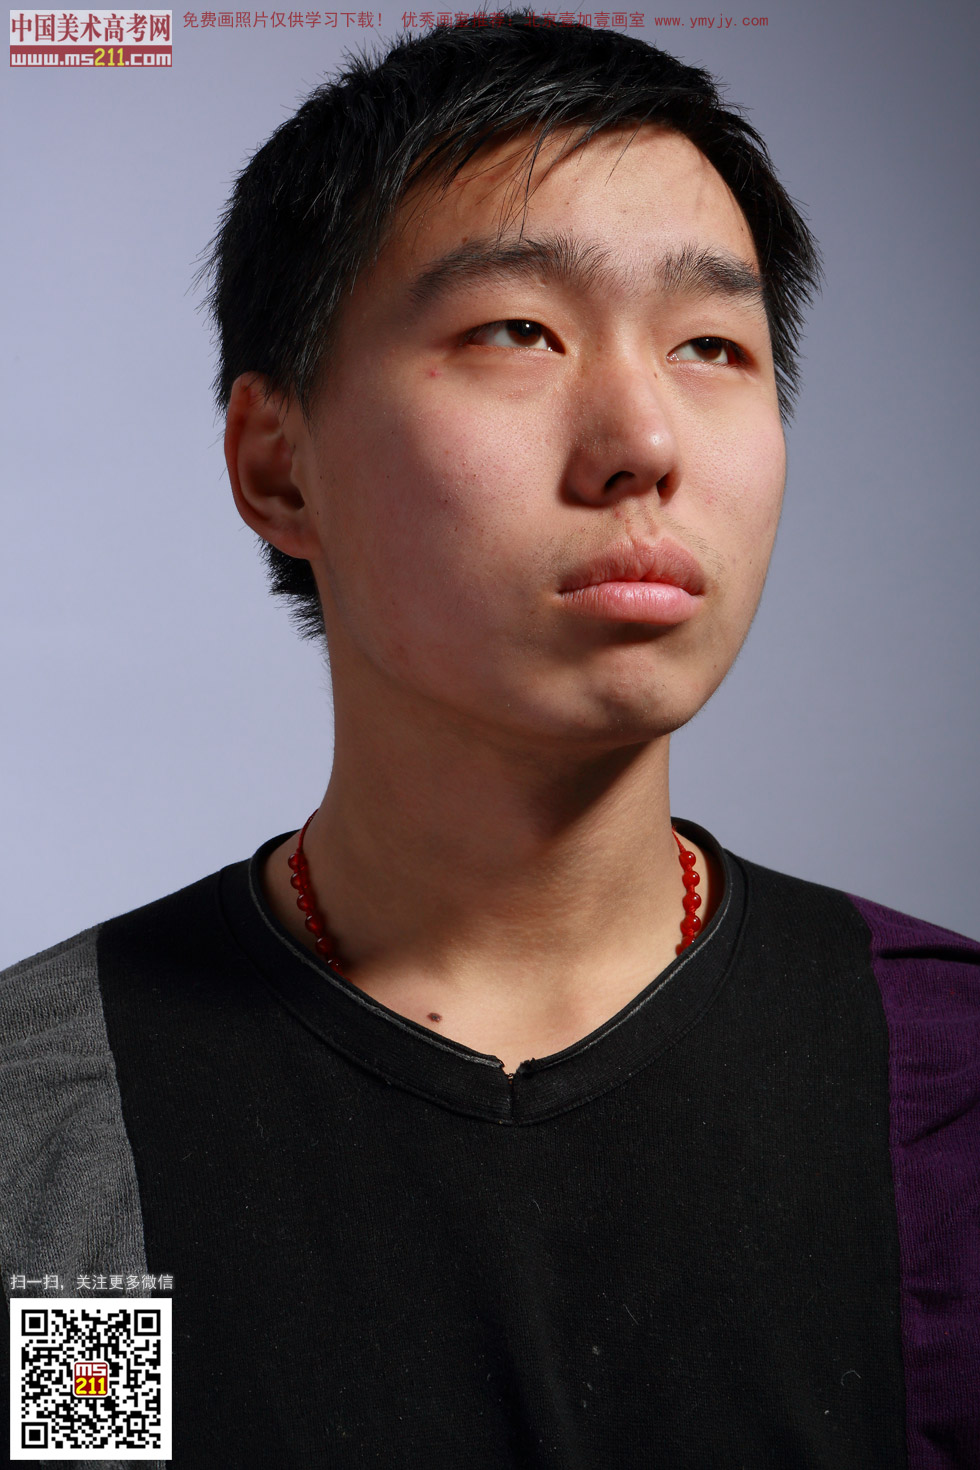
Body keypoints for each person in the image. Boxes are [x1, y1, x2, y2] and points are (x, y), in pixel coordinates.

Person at [2, 13, 977, 1467]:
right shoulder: (63, 1123)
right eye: (518, 331)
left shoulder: (941, 1090)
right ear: (279, 466)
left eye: (713, 345)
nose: (644, 440)